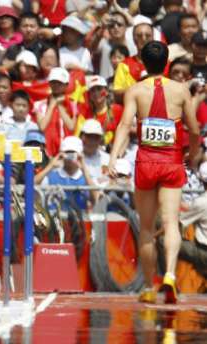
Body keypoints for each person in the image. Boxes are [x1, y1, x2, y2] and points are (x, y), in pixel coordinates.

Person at [109, 41, 200, 304]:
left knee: (147, 228)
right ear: (167, 63)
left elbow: (125, 125)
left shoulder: (135, 91)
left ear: (142, 62)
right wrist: (191, 155)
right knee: (171, 222)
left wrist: (113, 158)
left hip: (146, 161)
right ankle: (170, 274)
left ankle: (149, 286)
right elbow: (194, 130)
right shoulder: (181, 90)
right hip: (171, 161)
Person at [37, 136, 98, 211]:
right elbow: (30, 186)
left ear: (80, 154)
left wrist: (84, 168)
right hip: (54, 220)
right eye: (67, 152)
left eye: (73, 153)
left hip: (79, 220)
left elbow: (95, 199)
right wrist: (50, 166)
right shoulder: (52, 176)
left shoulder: (86, 177)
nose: (70, 156)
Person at [34, 67, 74, 157]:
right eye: (53, 82)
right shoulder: (40, 104)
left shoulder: (72, 104)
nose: (56, 85)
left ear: (66, 85)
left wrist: (59, 106)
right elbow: (42, 127)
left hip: (66, 151)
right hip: (46, 151)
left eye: (59, 83)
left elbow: (71, 126)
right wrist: (52, 105)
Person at [113, 19, 154, 102]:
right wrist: (140, 87)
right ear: (134, 39)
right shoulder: (124, 65)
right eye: (139, 35)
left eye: (148, 35)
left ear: (153, 38)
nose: (143, 38)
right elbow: (117, 94)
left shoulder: (163, 63)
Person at [179, 161, 207, 278]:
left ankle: (168, 278)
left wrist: (155, 236)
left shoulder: (201, 202)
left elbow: (178, 222)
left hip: (204, 253)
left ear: (201, 181)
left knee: (165, 241)